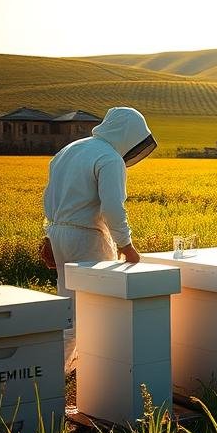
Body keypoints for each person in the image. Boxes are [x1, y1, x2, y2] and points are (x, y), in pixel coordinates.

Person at [43, 106, 157, 369]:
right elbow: (112, 208)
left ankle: (61, 374)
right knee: (94, 309)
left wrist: (48, 235)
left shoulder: (70, 150)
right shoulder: (109, 158)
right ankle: (58, 379)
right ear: (127, 133)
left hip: (59, 234)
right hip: (87, 238)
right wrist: (127, 246)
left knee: (69, 309)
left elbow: (48, 197)